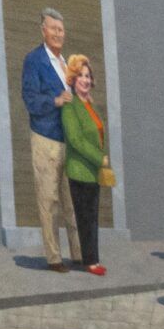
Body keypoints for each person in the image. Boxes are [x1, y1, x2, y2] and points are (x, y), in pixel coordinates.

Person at [18, 8, 77, 271]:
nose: (58, 34)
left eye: (61, 30)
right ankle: (54, 258)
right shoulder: (34, 60)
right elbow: (30, 100)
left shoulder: (68, 64)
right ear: (43, 31)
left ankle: (78, 254)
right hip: (46, 139)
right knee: (49, 200)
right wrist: (56, 100)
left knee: (72, 201)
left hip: (69, 141)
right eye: (53, 29)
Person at [60, 55, 109, 276]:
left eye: (88, 76)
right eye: (81, 75)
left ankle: (92, 259)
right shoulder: (70, 107)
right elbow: (76, 140)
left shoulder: (91, 106)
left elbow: (97, 136)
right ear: (73, 79)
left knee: (92, 217)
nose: (85, 80)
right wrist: (100, 158)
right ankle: (90, 262)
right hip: (79, 171)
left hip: (93, 172)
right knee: (85, 218)